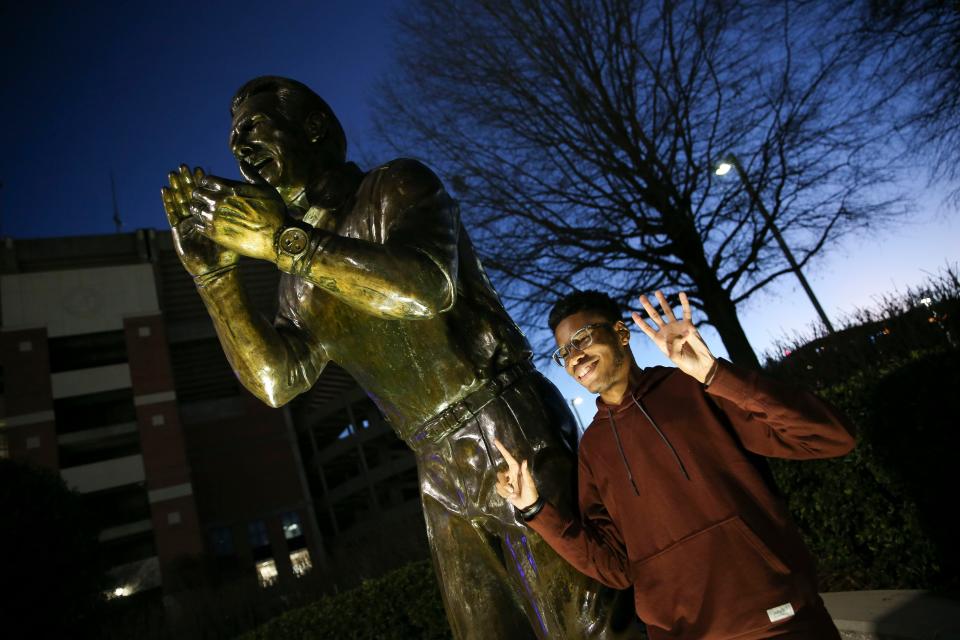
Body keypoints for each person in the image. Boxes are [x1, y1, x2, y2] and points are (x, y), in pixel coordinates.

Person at [161, 77, 638, 640]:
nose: (241, 151)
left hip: (505, 419)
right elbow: (276, 383)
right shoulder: (294, 284)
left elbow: (425, 287)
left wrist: (284, 241)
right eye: (234, 144)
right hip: (435, 462)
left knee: (590, 624)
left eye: (254, 131)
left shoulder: (395, 186)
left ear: (312, 129)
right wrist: (213, 279)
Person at [494, 289, 855, 639]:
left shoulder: (697, 390)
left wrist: (715, 375)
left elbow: (830, 437)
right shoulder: (593, 450)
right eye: (564, 352)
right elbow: (616, 567)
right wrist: (536, 509)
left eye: (583, 338)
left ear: (620, 333)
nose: (575, 356)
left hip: (778, 623)